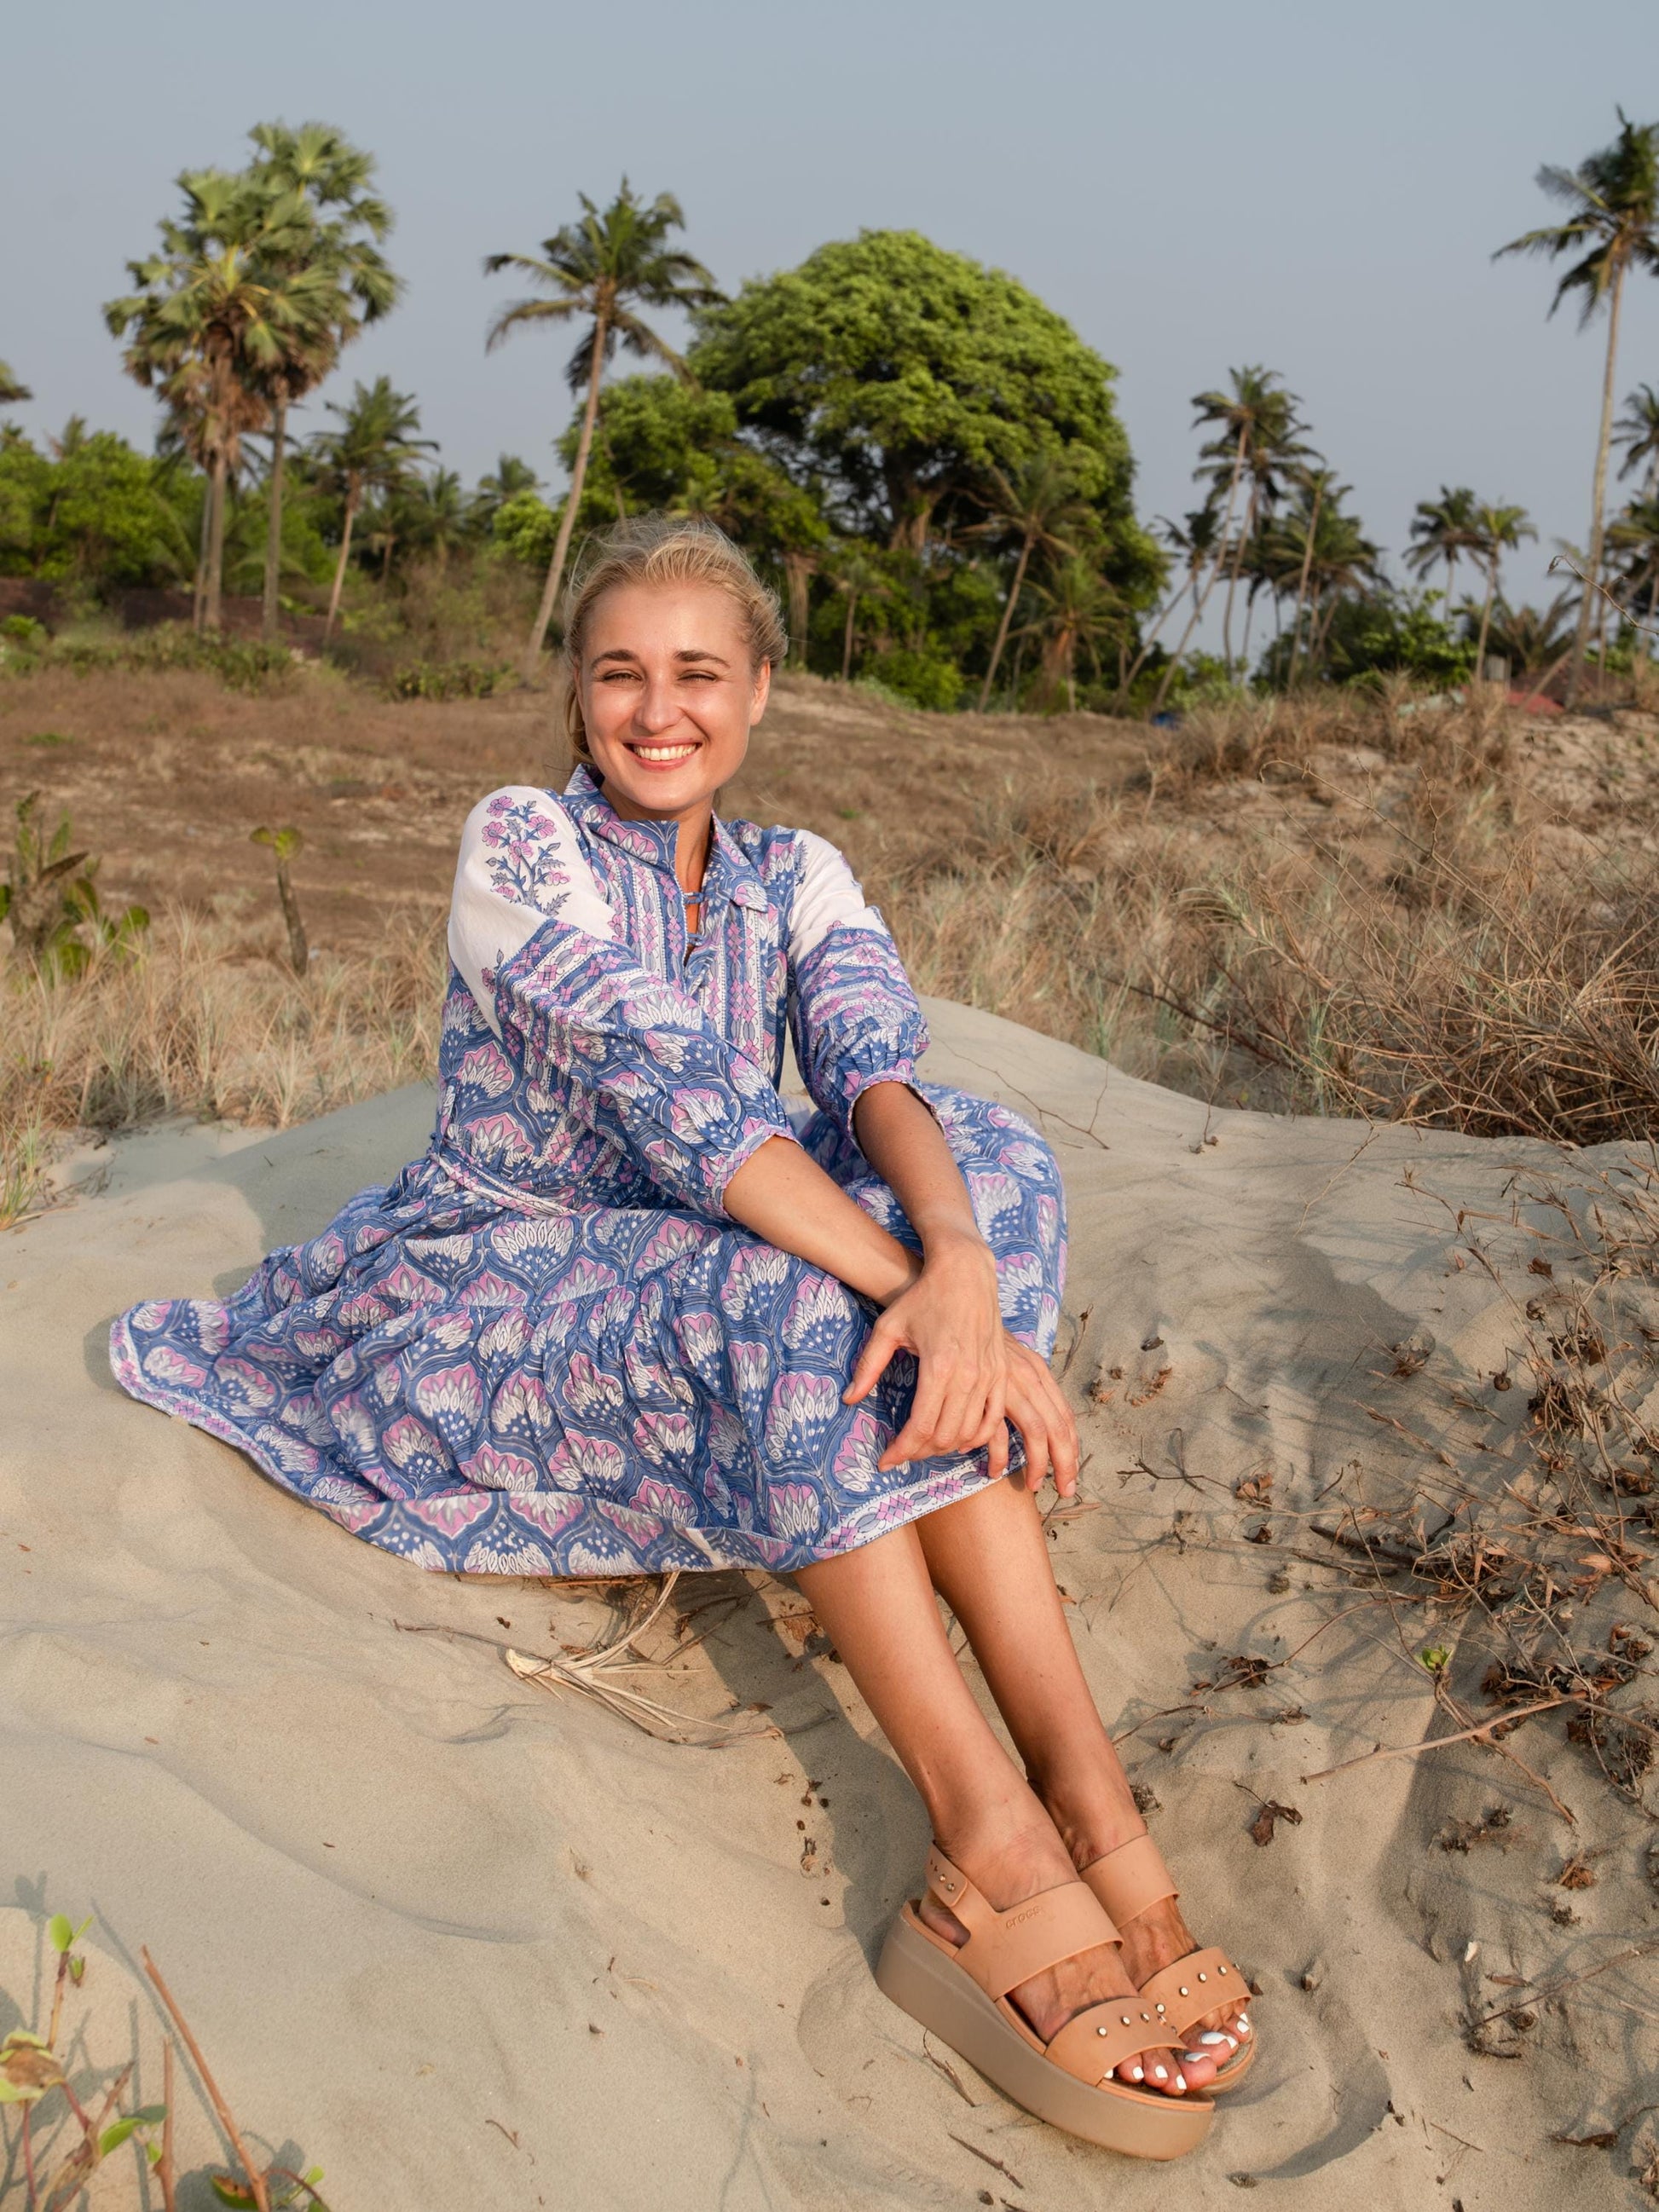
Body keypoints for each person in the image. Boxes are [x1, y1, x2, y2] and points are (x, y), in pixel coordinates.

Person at [112, 516, 1252, 2158]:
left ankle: (1093, 1797)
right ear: (575, 696)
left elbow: (874, 1073)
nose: (660, 711)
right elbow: (695, 1114)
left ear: (762, 691)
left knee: (987, 1163)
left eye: (698, 674)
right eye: (619, 674)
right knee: (809, 1295)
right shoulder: (520, 846)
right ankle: (988, 1845)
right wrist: (921, 1296)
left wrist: (956, 1270)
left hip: (725, 1245)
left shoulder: (796, 875)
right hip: (499, 1280)